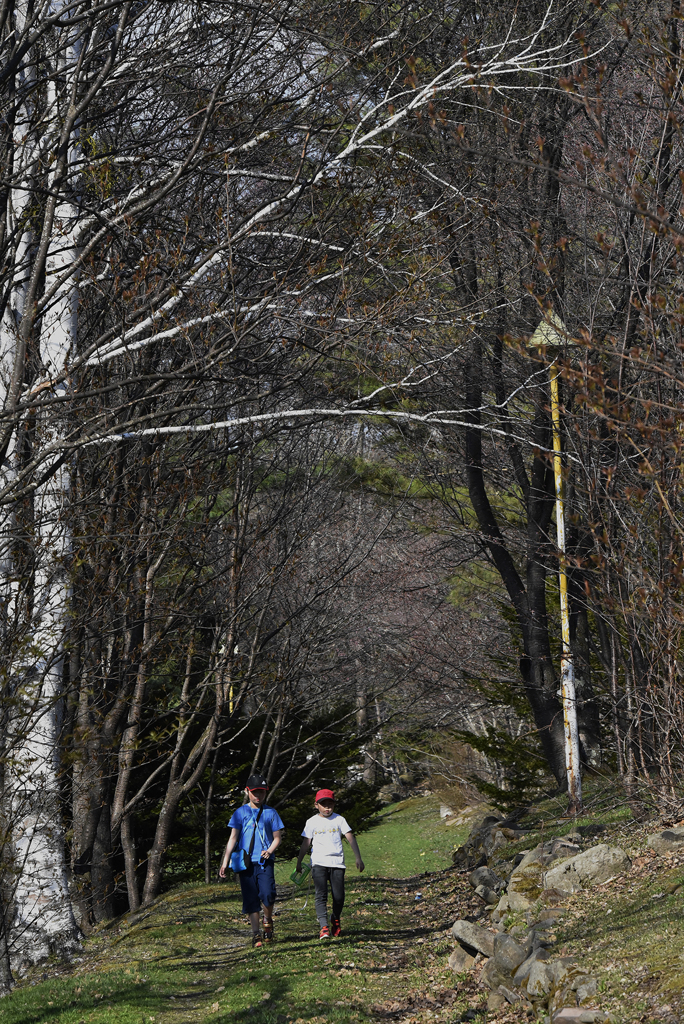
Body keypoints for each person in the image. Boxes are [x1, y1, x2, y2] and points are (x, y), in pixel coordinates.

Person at [219, 774, 284, 947]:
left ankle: (267, 921)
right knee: (250, 898)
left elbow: (277, 838)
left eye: (261, 792)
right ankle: (256, 934)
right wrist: (225, 861)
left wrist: (269, 851)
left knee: (268, 894)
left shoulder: (271, 813)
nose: (258, 796)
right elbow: (233, 838)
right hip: (244, 861)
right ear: (248, 792)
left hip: (264, 861)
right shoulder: (240, 813)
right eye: (255, 792)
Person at [296, 788, 364, 940]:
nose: (327, 808)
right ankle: (323, 927)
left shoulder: (339, 820)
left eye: (330, 805)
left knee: (338, 897)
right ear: (316, 805)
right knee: (321, 895)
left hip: (337, 863)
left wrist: (358, 858)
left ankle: (336, 918)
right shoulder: (311, 822)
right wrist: (299, 862)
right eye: (323, 804)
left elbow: (350, 837)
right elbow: (306, 843)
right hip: (319, 863)